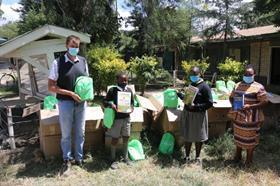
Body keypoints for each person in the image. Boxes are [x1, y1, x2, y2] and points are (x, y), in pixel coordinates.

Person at [48, 35, 89, 175]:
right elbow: (51, 87)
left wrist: (86, 95)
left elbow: (86, 82)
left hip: (81, 104)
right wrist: (70, 94)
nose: (75, 48)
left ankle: (79, 158)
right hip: (65, 103)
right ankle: (67, 159)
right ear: (66, 46)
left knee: (80, 132)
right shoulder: (57, 62)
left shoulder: (83, 61)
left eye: (77, 46)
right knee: (66, 133)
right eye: (72, 46)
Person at [229, 64, 268, 166]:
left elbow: (265, 102)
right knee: (238, 137)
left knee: (250, 140)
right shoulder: (237, 85)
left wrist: (250, 107)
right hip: (238, 117)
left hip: (252, 118)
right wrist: (234, 105)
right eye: (246, 74)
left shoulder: (259, 87)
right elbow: (231, 97)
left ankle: (248, 161)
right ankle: (237, 157)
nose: (247, 76)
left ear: (254, 74)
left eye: (250, 74)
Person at [178, 66, 213, 164]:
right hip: (188, 113)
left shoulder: (205, 87)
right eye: (191, 74)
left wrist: (197, 106)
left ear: (199, 74)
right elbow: (188, 99)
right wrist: (180, 95)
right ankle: (187, 156)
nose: (193, 76)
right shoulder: (192, 84)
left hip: (198, 115)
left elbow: (210, 103)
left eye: (195, 74)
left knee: (199, 136)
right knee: (187, 135)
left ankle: (197, 157)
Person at [104, 72, 134, 170]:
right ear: (117, 80)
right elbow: (104, 101)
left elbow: (132, 103)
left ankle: (125, 157)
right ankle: (113, 159)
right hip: (116, 119)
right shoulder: (112, 90)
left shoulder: (129, 90)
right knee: (115, 138)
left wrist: (132, 108)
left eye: (126, 80)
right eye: (122, 80)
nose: (124, 82)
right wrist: (111, 104)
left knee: (126, 136)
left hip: (126, 118)